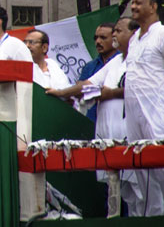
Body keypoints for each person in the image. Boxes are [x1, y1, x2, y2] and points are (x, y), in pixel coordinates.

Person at [47, 17, 141, 213]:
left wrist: (110, 93)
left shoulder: (140, 58)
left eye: (118, 31)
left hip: (129, 131)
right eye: (113, 31)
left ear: (134, 34)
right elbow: (88, 84)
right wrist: (61, 92)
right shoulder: (116, 61)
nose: (115, 35)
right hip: (106, 133)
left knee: (138, 193)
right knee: (115, 190)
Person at [123, 0, 164, 216]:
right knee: (141, 169)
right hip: (135, 115)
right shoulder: (134, 40)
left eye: (139, 2)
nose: (133, 7)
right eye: (133, 3)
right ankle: (149, 218)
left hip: (160, 114)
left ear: (154, 6)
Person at [78, 23, 118, 122]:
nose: (98, 41)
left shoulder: (123, 63)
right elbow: (80, 92)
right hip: (92, 125)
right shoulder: (89, 67)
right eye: (96, 38)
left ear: (115, 39)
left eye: (103, 38)